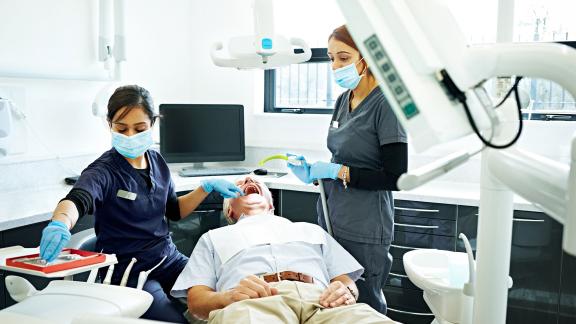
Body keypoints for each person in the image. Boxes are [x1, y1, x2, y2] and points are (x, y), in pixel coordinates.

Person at [38, 85, 244, 323]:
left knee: (222, 295)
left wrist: (204, 188)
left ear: (152, 124)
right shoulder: (104, 170)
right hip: (129, 271)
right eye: (121, 128)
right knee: (176, 320)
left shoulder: (156, 160)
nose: (130, 136)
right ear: (110, 125)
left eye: (139, 128)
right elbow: (77, 199)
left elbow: (174, 211)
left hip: (168, 258)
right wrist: (60, 223)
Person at [287, 25, 408, 315]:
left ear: (367, 58)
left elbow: (396, 176)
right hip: (331, 215)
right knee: (333, 298)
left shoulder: (387, 104)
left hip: (365, 223)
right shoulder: (345, 99)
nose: (335, 66)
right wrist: (316, 171)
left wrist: (335, 171)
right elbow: (344, 153)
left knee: (362, 301)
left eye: (343, 58)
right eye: (331, 58)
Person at [170, 176, 397, 324]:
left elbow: (345, 282)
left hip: (322, 302)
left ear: (271, 205)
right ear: (229, 212)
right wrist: (228, 297)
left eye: (257, 184)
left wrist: (346, 292)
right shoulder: (213, 238)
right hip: (254, 304)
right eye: (240, 185)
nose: (249, 179)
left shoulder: (311, 230)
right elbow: (196, 302)